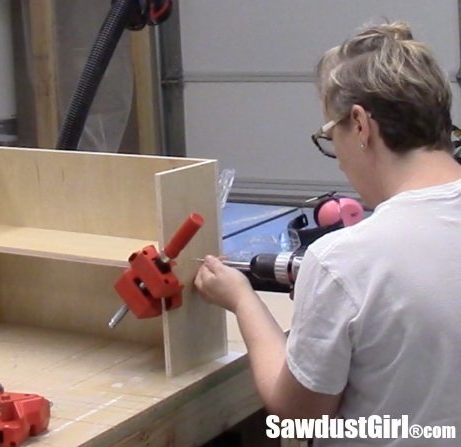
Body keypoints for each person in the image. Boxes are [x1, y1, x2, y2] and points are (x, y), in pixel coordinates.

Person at [195, 21, 461, 446]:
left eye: (329, 135)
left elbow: (300, 414)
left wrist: (241, 299)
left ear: (360, 126)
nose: (336, 159)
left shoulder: (344, 261)